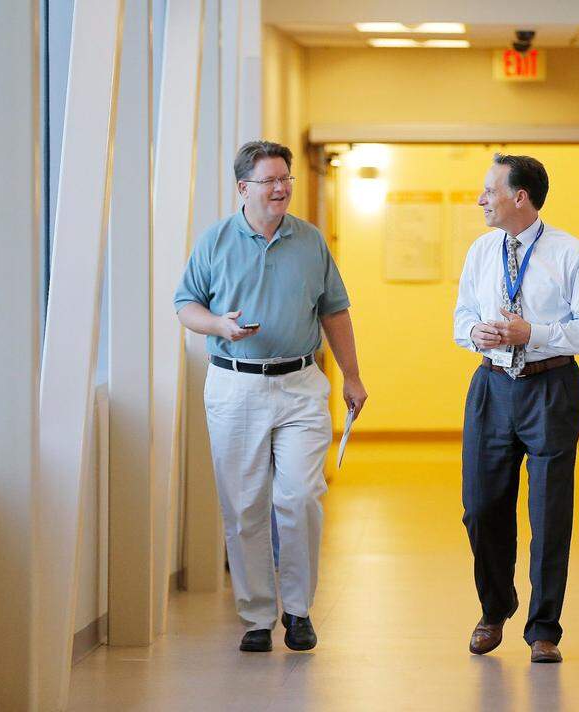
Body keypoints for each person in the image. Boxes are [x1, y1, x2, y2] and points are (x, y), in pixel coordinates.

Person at [174, 140, 367, 653]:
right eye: (270, 180)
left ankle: (299, 611)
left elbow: (336, 311)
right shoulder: (215, 241)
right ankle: (258, 616)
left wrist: (351, 376)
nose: (282, 188)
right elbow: (185, 306)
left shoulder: (309, 240)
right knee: (244, 506)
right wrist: (218, 323)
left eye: (286, 179)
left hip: (301, 385)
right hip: (235, 384)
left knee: (299, 496)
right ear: (244, 188)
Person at [453, 154, 579, 663]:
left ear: (520, 197)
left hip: (551, 387)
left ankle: (544, 627)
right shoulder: (481, 251)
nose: (481, 199)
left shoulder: (571, 254)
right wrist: (475, 332)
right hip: (492, 387)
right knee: (480, 507)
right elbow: (461, 317)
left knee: (549, 513)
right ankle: (495, 607)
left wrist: (533, 334)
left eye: (489, 190)